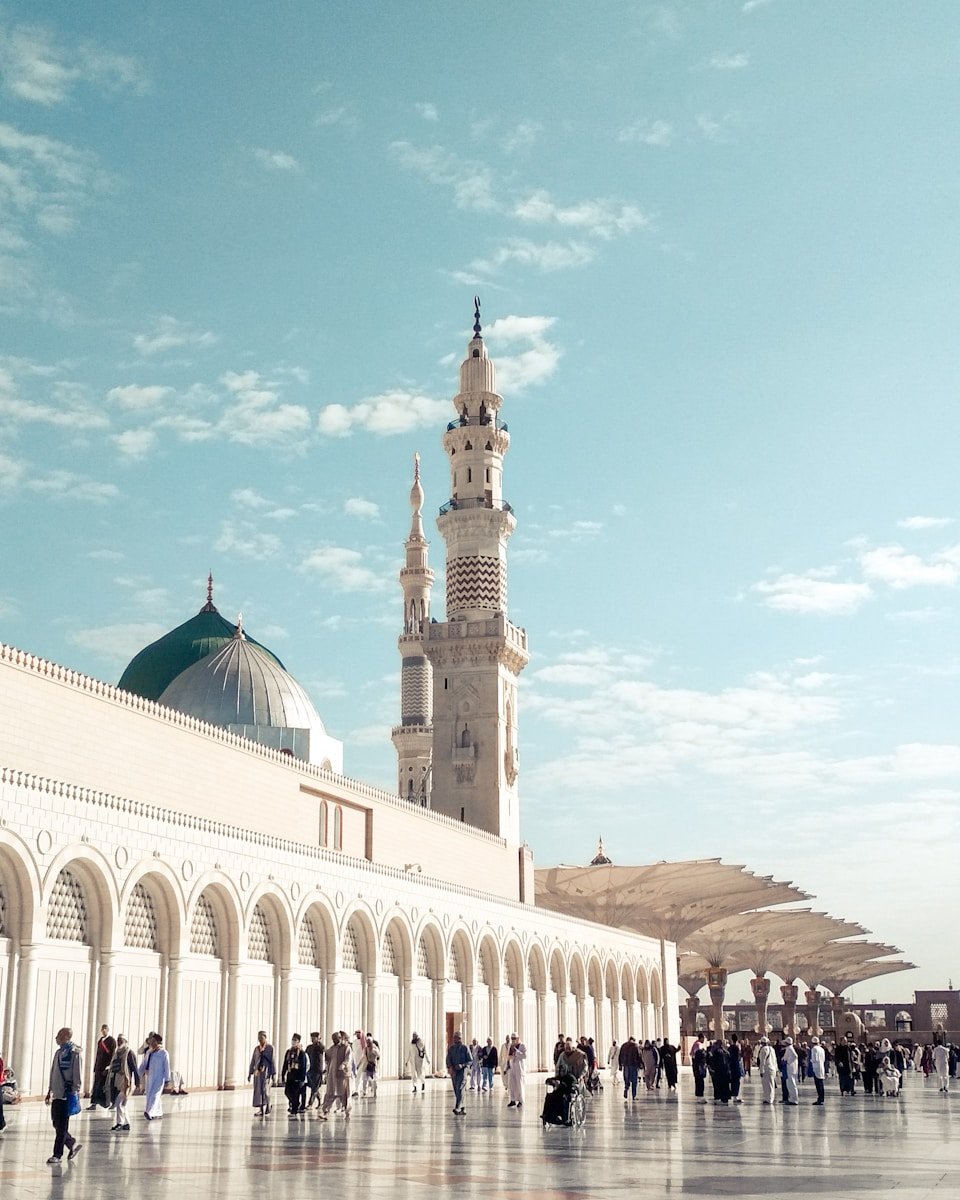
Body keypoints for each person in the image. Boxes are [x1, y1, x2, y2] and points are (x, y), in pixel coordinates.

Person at [45, 1027, 82, 1164]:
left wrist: (75, 1091)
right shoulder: (58, 1053)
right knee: (55, 1122)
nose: (57, 1038)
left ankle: (57, 1154)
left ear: (66, 1036)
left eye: (59, 1035)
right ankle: (70, 1142)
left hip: (67, 1094)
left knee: (62, 1126)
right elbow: (53, 1072)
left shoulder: (74, 1053)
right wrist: (49, 1090)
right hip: (57, 1093)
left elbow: (77, 1074)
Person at [107, 1035, 139, 1130]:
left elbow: (134, 1068)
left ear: (125, 1041)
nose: (119, 1042)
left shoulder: (129, 1053)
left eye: (121, 1041)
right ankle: (126, 1123)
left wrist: (137, 1082)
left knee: (119, 1103)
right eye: (118, 1040)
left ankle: (120, 1123)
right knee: (123, 1104)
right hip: (118, 1080)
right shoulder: (117, 1053)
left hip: (126, 1081)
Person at [319, 1031, 351, 1119]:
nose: (334, 1041)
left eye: (336, 1039)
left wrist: (343, 1065)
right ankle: (325, 1111)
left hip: (342, 1075)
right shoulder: (333, 1048)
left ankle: (347, 1112)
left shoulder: (346, 1048)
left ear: (340, 1038)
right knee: (330, 1093)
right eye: (333, 1039)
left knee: (343, 1095)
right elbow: (327, 1053)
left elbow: (348, 1059)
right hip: (332, 1075)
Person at [140, 1033, 170, 1121]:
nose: (151, 1043)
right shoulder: (149, 1052)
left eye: (153, 1041)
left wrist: (167, 1079)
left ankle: (150, 1112)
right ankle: (158, 1112)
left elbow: (167, 1066)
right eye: (151, 1041)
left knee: (155, 1095)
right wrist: (138, 1074)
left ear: (158, 1042)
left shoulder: (163, 1053)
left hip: (159, 1078)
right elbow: (144, 1064)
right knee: (149, 1095)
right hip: (150, 1077)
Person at [248, 1031, 276, 1117]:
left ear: (265, 1037)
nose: (259, 1039)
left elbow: (273, 1061)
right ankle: (261, 1109)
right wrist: (250, 1073)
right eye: (258, 1037)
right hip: (257, 1073)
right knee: (258, 1091)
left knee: (265, 1090)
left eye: (261, 1037)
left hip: (266, 1073)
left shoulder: (270, 1048)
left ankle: (268, 1105)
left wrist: (273, 1073)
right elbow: (253, 1061)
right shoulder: (256, 1049)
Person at [89, 1024, 116, 1110]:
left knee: (106, 1086)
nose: (103, 1031)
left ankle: (111, 1102)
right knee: (96, 1085)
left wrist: (108, 1067)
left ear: (108, 1030)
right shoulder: (100, 1041)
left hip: (106, 1067)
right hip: (99, 1067)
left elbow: (112, 1055)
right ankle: (94, 1103)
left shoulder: (112, 1041)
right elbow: (98, 1054)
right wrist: (95, 1067)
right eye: (102, 1029)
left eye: (105, 1029)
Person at [281, 1034, 307, 1116]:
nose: (293, 1042)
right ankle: (295, 1103)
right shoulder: (289, 1052)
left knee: (296, 1093)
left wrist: (302, 1079)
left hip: (298, 1076)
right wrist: (282, 1075)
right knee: (287, 1092)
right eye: (293, 1040)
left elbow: (303, 1066)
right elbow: (285, 1064)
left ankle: (294, 1110)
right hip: (290, 1075)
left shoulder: (301, 1053)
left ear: (298, 1042)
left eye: (295, 1040)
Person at [446, 1031, 470, 1114]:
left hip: (462, 1072)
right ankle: (462, 1107)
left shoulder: (465, 1048)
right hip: (454, 1072)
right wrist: (450, 1067)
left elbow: (470, 1061)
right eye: (454, 1037)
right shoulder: (451, 1048)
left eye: (456, 1037)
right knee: (456, 1089)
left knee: (460, 1088)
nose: (455, 1039)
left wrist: (462, 1065)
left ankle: (457, 1107)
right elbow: (448, 1059)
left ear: (460, 1038)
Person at [706, 1040, 732, 1105]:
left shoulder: (716, 1052)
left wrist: (711, 1068)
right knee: (725, 1085)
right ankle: (725, 1099)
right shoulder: (726, 1052)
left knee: (719, 1085)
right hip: (725, 1071)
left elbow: (713, 1061)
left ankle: (720, 1098)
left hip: (719, 1071)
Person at [505, 1033, 527, 1108]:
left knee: (519, 1084)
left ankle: (521, 1100)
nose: (513, 1040)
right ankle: (512, 1100)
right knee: (511, 1084)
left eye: (514, 1038)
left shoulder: (522, 1046)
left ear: (518, 1038)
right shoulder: (510, 1046)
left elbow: (524, 1056)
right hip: (512, 1067)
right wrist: (506, 1067)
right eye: (512, 1038)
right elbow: (508, 1056)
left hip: (519, 1068)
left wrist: (516, 1051)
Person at [756, 1036, 778, 1105]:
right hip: (773, 1069)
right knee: (771, 1085)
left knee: (766, 1085)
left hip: (767, 1069)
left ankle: (768, 1099)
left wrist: (761, 1071)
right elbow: (775, 1060)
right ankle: (769, 1098)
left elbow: (762, 1061)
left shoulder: (763, 1049)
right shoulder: (772, 1049)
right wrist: (776, 1069)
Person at [304, 1032, 324, 1109]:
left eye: (314, 1038)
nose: (312, 1039)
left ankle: (310, 1104)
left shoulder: (319, 1047)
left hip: (317, 1070)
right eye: (311, 1038)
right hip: (310, 1070)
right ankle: (320, 1102)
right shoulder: (309, 1047)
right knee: (314, 1087)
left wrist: (319, 1041)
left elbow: (323, 1049)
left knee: (315, 1087)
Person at [619, 1035, 641, 1100]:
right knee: (634, 1081)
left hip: (626, 1065)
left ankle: (626, 1088)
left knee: (626, 1079)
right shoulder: (635, 1046)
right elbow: (639, 1056)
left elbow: (620, 1055)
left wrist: (620, 1065)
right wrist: (640, 1064)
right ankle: (634, 1095)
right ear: (634, 1040)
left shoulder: (623, 1046)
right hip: (633, 1065)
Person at [782, 1036, 799, 1105]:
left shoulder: (789, 1048)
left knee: (791, 1084)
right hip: (792, 1069)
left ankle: (794, 1100)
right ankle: (792, 1098)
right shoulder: (790, 1048)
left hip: (790, 1069)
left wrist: (789, 1062)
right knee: (791, 1084)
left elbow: (795, 1056)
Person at [809, 1036, 826, 1105]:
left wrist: (811, 1060)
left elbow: (815, 1059)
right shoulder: (822, 1049)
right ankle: (822, 1098)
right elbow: (823, 1059)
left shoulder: (814, 1049)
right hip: (821, 1066)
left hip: (816, 1068)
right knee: (821, 1083)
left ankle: (820, 1099)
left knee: (818, 1084)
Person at [690, 1035, 707, 1102]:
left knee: (698, 1081)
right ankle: (700, 1097)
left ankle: (699, 1097)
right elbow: (699, 1054)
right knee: (700, 1082)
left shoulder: (695, 1044)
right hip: (699, 1067)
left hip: (697, 1066)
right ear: (701, 1038)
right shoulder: (698, 1044)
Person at [728, 1034, 744, 1103]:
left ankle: (732, 1094)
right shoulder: (737, 1047)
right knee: (737, 1081)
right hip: (736, 1065)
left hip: (731, 1066)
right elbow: (739, 1057)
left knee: (732, 1081)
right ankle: (735, 1096)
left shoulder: (730, 1047)